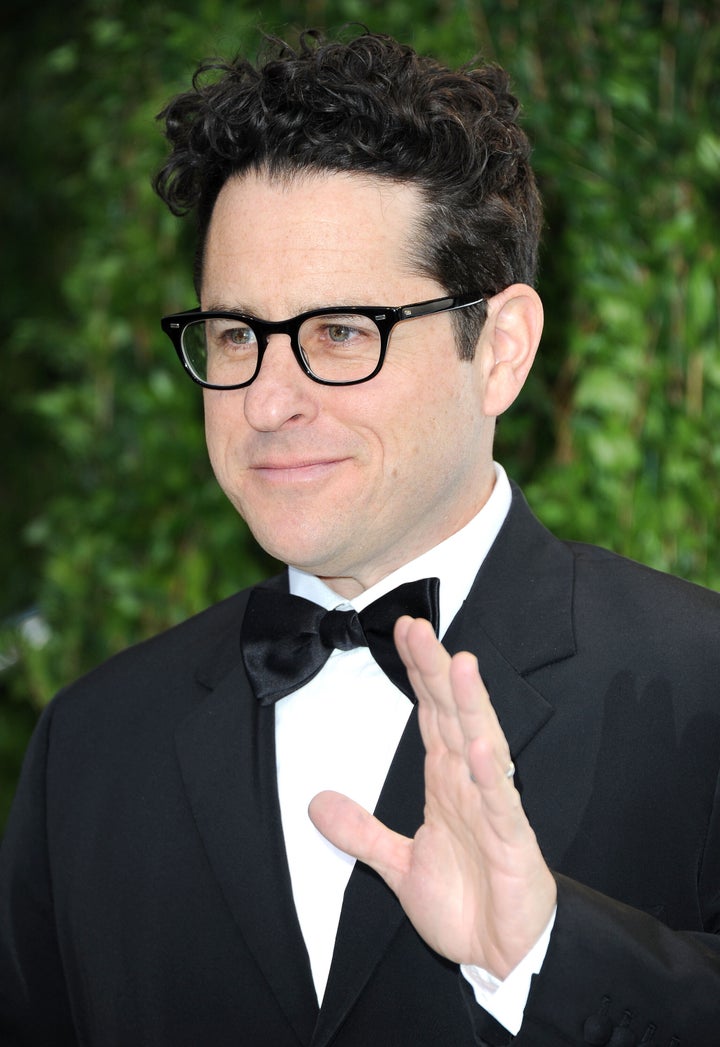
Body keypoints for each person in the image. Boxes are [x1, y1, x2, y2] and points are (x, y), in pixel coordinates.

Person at [1, 29, 719, 1047]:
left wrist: (545, 955)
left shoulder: (702, 687)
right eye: (238, 334)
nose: (267, 400)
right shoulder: (90, 746)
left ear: (502, 351)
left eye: (341, 331)